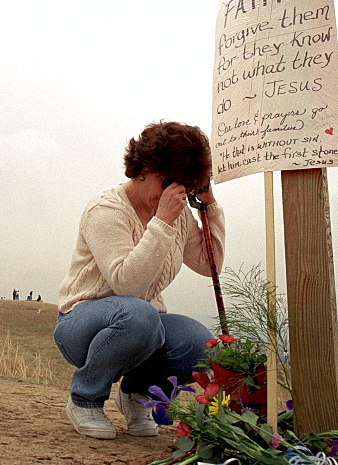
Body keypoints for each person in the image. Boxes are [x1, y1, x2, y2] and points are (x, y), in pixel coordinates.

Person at [53, 121, 225, 440]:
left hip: (141, 328)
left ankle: (136, 396)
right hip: (82, 324)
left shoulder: (179, 216)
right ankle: (84, 400)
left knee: (200, 345)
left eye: (185, 186)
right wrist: (162, 222)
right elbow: (127, 285)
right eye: (169, 182)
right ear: (144, 168)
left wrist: (209, 206)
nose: (174, 194)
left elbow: (207, 264)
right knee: (140, 315)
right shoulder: (106, 209)